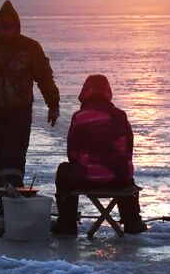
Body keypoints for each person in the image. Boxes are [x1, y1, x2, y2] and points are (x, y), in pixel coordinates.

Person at [0, 0, 60, 187]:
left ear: (17, 26)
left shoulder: (30, 48)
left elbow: (44, 77)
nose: (6, 30)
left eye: (10, 26)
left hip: (20, 110)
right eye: (3, 27)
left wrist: (53, 104)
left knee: (15, 153)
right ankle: (3, 196)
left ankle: (14, 191)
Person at [52, 75, 145, 235]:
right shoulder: (120, 116)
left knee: (63, 170)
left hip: (88, 180)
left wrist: (86, 166)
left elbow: (72, 153)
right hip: (119, 181)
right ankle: (132, 220)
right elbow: (128, 150)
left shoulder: (80, 117)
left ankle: (66, 223)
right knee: (122, 167)